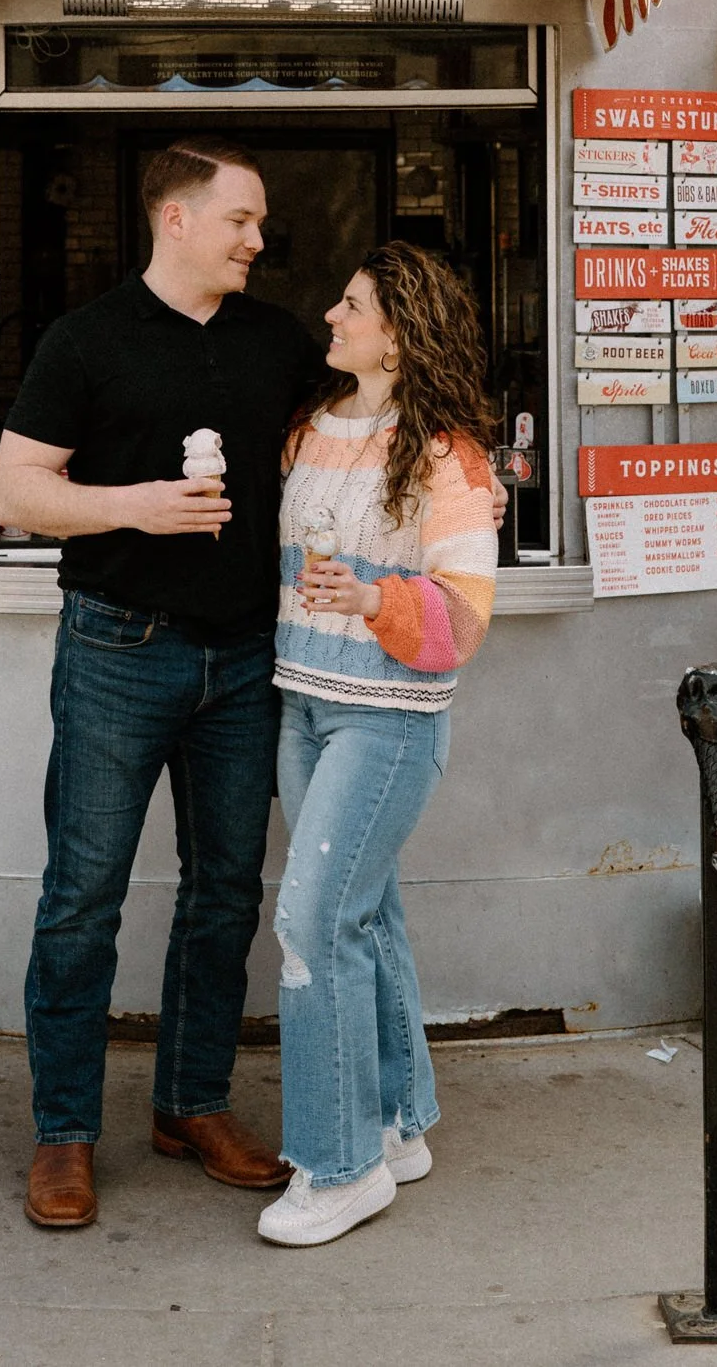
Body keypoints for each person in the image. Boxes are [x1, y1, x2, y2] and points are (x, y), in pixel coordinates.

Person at [0, 140, 324, 1231]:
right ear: (175, 218)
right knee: (81, 897)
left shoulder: (277, 340)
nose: (257, 239)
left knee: (225, 893)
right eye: (240, 218)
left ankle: (190, 1104)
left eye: (260, 220)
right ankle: (63, 1132)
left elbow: (355, 437)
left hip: (245, 659)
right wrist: (136, 504)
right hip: (116, 649)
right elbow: (14, 493)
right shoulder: (83, 341)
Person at [256, 242, 499, 1247]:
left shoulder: (447, 454)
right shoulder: (308, 431)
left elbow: (466, 618)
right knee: (366, 916)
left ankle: (339, 1166)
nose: (329, 314)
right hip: (301, 706)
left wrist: (372, 597)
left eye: (350, 304)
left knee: (311, 926)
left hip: (388, 719)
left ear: (397, 332)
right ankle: (398, 1124)